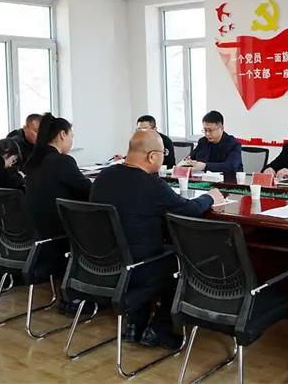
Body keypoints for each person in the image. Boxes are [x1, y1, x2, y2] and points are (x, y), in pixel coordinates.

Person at [90, 129, 224, 348]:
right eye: (164, 154)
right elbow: (188, 210)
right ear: (152, 156)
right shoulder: (152, 185)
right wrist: (210, 197)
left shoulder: (103, 177)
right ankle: (158, 330)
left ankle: (135, 325)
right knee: (179, 261)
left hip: (103, 266)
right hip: (137, 270)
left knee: (142, 249)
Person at [24, 113, 92, 239]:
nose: (72, 141)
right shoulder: (62, 161)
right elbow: (89, 191)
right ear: (62, 135)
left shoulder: (35, 161)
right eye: (71, 136)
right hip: (60, 233)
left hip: (39, 233)